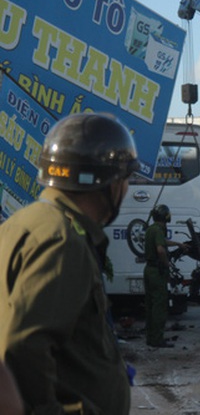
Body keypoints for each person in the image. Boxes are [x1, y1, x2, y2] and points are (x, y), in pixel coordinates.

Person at [0, 113, 138, 414]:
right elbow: (23, 347)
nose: (126, 189)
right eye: (125, 179)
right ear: (107, 183)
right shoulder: (62, 239)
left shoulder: (23, 223)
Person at [144, 204, 188, 348]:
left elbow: (162, 243)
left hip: (149, 270)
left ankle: (151, 338)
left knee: (150, 305)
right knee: (159, 306)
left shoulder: (151, 229)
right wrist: (167, 263)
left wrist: (177, 244)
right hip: (157, 271)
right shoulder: (158, 230)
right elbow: (161, 249)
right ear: (166, 216)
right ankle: (157, 339)